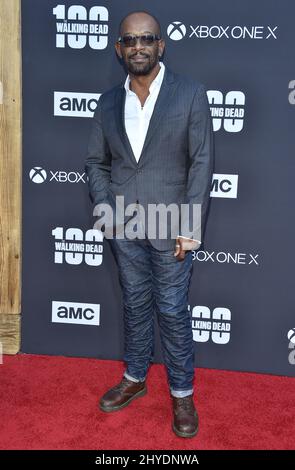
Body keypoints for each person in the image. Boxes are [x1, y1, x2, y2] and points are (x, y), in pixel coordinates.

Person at [85, 11, 213, 438]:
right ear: (119, 48)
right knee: (135, 306)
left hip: (171, 224)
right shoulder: (107, 102)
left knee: (173, 311)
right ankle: (136, 378)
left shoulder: (190, 94)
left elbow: (201, 164)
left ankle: (181, 394)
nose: (138, 46)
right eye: (129, 40)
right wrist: (107, 212)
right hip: (125, 225)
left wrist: (189, 226)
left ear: (161, 45)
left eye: (147, 38)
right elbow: (97, 163)